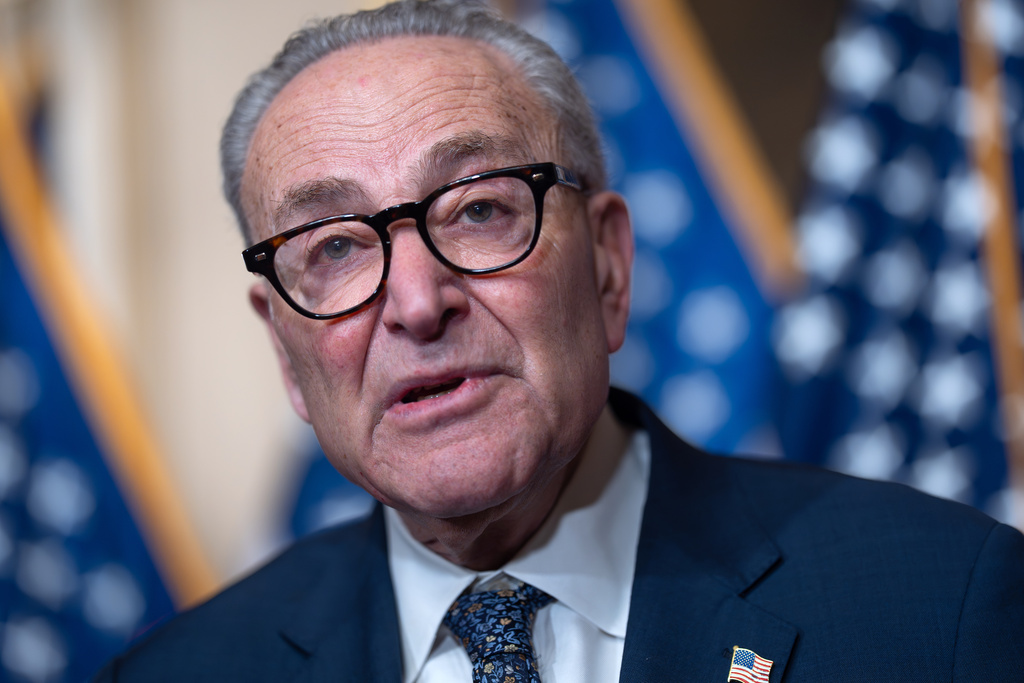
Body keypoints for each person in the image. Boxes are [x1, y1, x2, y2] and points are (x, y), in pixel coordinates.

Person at [95, 1, 1024, 681]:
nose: (418, 303)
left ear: (611, 267)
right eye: (334, 246)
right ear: (285, 347)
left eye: (481, 209)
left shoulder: (939, 611)